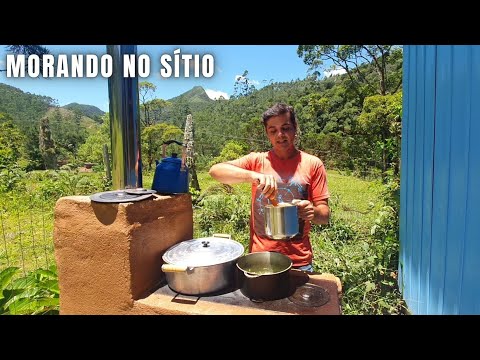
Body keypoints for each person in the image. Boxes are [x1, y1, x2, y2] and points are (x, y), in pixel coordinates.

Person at [209, 103, 330, 272]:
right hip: (261, 258)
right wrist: (253, 176)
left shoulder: (313, 164)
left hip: (300, 263)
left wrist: (313, 212)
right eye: (273, 130)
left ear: (295, 129)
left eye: (286, 128)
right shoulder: (256, 161)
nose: (280, 135)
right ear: (267, 134)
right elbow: (215, 171)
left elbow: (324, 216)